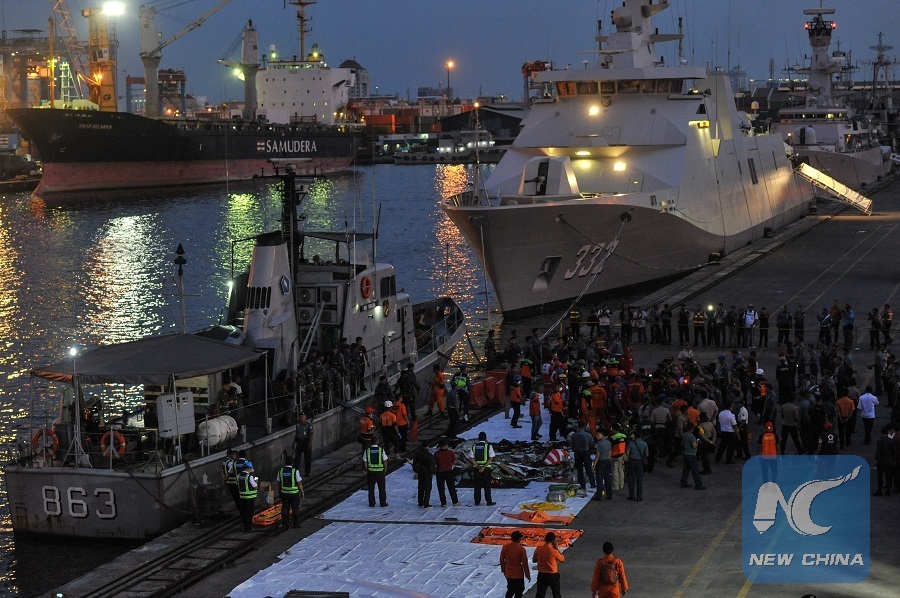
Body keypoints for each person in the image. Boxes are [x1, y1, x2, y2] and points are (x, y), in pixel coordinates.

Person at [499, 530, 531, 598]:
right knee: (519, 592)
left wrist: (503, 569)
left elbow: (501, 559)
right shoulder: (521, 549)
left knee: (510, 590)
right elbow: (525, 564)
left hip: (508, 573)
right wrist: (527, 575)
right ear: (519, 539)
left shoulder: (505, 547)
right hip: (518, 574)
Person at [532, 532, 565, 598]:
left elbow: (534, 560)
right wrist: (557, 549)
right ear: (553, 540)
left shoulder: (538, 549)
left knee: (540, 594)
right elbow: (562, 560)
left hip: (542, 575)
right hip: (552, 575)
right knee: (556, 594)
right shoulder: (554, 551)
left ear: (545, 539)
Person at [468, 431, 496, 506]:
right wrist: (484, 467)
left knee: (477, 486)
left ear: (478, 438)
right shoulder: (488, 446)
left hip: (477, 469)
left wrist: (478, 466)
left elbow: (471, 458)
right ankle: (489, 501)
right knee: (487, 486)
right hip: (486, 469)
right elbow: (491, 457)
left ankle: (477, 501)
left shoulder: (474, 446)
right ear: (485, 438)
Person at [279, 455, 304, 530]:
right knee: (295, 508)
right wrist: (302, 492)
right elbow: (299, 483)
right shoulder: (295, 471)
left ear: (285, 462)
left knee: (285, 508)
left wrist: (280, 492)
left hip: (284, 493)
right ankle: (296, 524)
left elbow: (279, 483)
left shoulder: (281, 471)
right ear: (292, 463)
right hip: (294, 494)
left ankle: (285, 524)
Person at [434, 439, 461, 507]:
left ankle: (443, 503)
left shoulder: (437, 453)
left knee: (441, 488)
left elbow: (435, 463)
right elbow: (454, 462)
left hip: (440, 472)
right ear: (446, 445)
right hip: (449, 471)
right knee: (451, 487)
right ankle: (455, 502)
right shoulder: (450, 452)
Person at [570, 423, 596, 490]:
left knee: (579, 470)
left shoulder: (574, 435)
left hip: (577, 452)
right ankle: (592, 484)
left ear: (578, 427)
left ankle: (583, 485)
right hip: (586, 452)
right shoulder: (588, 435)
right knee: (588, 469)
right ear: (584, 427)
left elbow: (571, 445)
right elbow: (592, 444)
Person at [680, 423, 706, 490]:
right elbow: (694, 446)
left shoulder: (684, 435)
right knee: (695, 470)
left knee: (686, 470)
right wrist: (697, 442)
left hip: (686, 454)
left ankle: (683, 483)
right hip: (691, 454)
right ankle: (698, 485)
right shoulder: (692, 436)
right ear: (693, 429)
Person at [363, 442, 388, 507]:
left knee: (371, 488)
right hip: (380, 472)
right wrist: (385, 469)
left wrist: (367, 469)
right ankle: (383, 503)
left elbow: (365, 461)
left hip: (371, 472)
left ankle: (372, 503)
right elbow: (385, 460)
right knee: (382, 488)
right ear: (377, 442)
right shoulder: (381, 450)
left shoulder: (367, 450)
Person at [625, 431, 648, 501]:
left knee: (631, 479)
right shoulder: (644, 444)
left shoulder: (631, 443)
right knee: (639, 480)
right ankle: (639, 496)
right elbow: (647, 454)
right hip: (640, 462)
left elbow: (627, 452)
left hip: (632, 461)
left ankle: (631, 495)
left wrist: (630, 457)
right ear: (641, 436)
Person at [237, 462, 259, 532]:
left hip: (242, 497)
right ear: (248, 468)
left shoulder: (238, 475)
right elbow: (255, 486)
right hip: (249, 498)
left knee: (243, 512)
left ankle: (245, 526)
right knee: (249, 513)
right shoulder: (249, 476)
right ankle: (249, 528)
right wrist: (256, 481)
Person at [412, 443, 436, 508]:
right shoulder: (429, 455)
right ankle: (426, 503)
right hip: (427, 473)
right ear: (427, 446)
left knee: (421, 487)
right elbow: (432, 465)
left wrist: (416, 470)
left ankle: (420, 502)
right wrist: (432, 472)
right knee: (427, 488)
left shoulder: (417, 454)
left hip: (420, 472)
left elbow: (414, 463)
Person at [874, 425, 895, 496]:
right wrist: (894, 460)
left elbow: (878, 451)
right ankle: (888, 490)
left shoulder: (880, 440)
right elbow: (893, 451)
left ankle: (879, 490)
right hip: (889, 460)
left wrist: (876, 459)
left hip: (881, 460)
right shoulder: (891, 441)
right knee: (888, 476)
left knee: (880, 476)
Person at [594, 428, 613, 501]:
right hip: (607, 461)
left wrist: (594, 465)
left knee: (599, 480)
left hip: (601, 462)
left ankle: (599, 496)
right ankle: (609, 495)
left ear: (602, 435)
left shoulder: (600, 444)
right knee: (608, 479)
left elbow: (597, 456)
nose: (596, 436)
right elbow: (610, 452)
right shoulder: (609, 442)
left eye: (598, 435)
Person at [292, 412, 313, 477]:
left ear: (305, 417)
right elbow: (296, 433)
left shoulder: (309, 425)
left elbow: (311, 435)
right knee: (297, 458)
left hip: (306, 441)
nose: (301, 418)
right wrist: (293, 442)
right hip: (299, 441)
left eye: (302, 416)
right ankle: (295, 472)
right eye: (300, 416)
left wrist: (310, 443)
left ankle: (307, 472)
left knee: (307, 458)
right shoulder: (298, 424)